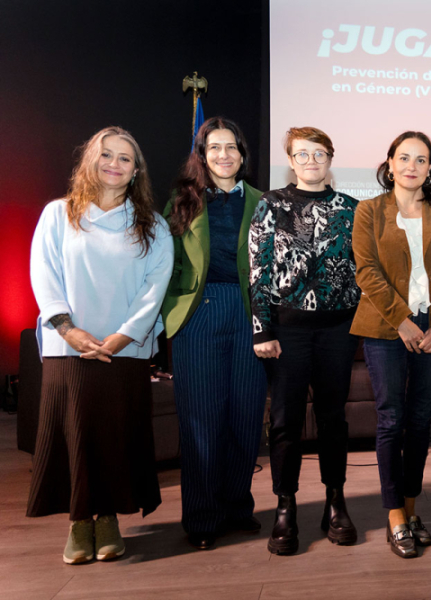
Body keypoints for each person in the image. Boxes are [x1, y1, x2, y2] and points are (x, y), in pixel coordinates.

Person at [28, 126, 174, 564]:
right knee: (73, 433)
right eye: (106, 155)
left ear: (136, 171)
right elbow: (44, 273)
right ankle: (78, 522)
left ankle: (108, 518)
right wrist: (68, 329)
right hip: (68, 347)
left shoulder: (153, 225)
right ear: (90, 161)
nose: (114, 163)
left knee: (115, 435)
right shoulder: (58, 214)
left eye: (125, 158)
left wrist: (123, 335)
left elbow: (155, 286)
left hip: (123, 350)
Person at [351, 131, 431, 558]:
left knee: (420, 420)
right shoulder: (368, 211)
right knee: (390, 419)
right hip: (385, 327)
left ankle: (412, 507)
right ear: (390, 163)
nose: (412, 166)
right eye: (404, 158)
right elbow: (366, 271)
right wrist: (402, 321)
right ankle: (394, 513)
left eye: (421, 159)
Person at [249, 127, 361, 555]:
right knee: (285, 422)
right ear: (291, 160)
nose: (310, 161)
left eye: (318, 153)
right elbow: (258, 270)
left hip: (338, 330)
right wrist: (263, 329)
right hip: (287, 332)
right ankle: (285, 505)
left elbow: (362, 271)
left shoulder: (352, 209)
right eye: (302, 154)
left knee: (334, 419)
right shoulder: (271, 204)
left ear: (330, 158)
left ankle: (336, 500)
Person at [161, 117, 268, 550]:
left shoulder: (263, 201)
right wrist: (171, 314)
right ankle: (202, 518)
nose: (224, 155)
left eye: (232, 148)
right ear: (202, 155)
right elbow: (165, 264)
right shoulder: (183, 200)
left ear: (243, 155)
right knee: (201, 422)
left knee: (245, 417)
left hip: (250, 316)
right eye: (214, 148)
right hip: (198, 315)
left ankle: (238, 507)